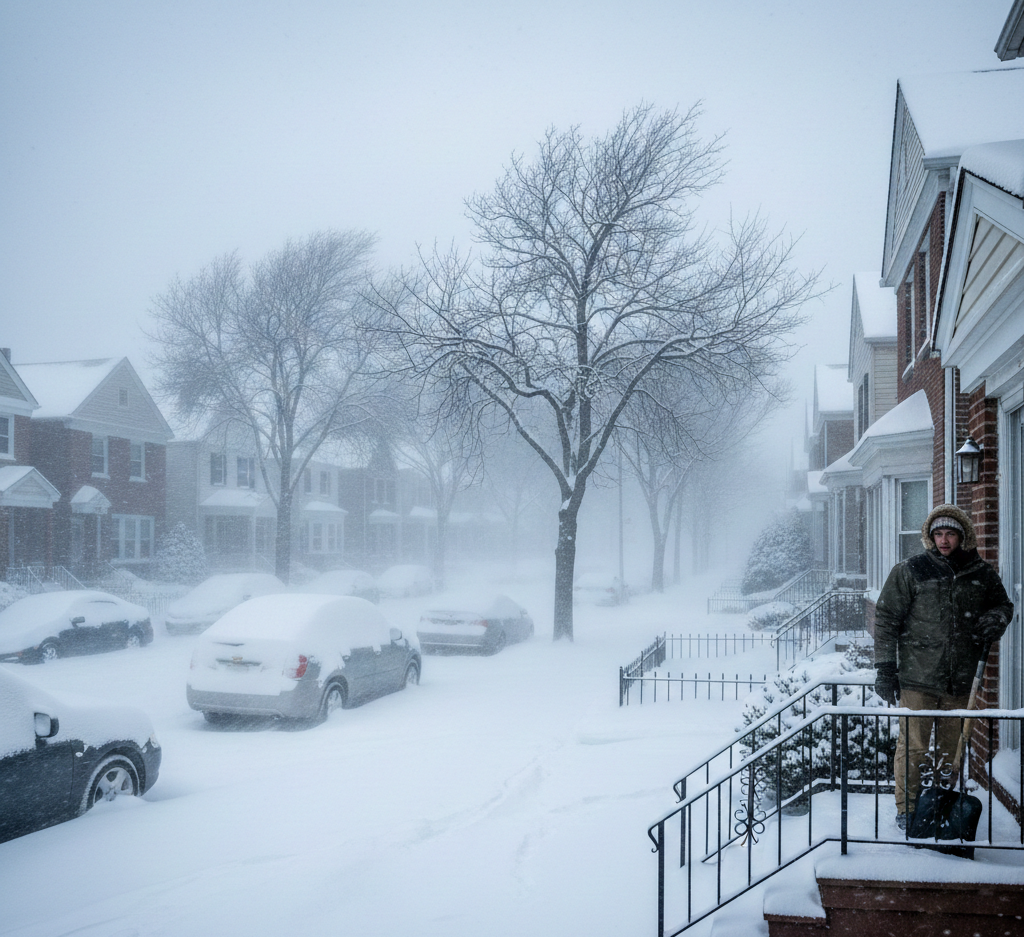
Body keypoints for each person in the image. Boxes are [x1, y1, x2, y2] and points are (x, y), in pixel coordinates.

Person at [874, 504, 1013, 831]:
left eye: (950, 533)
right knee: (912, 748)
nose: (944, 540)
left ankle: (940, 806)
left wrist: (997, 618)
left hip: (962, 681)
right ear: (930, 536)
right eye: (938, 534)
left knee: (952, 751)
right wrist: (884, 668)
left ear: (962, 535)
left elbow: (1003, 605)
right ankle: (908, 809)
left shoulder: (981, 572)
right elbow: (886, 620)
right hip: (917, 679)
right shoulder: (912, 570)